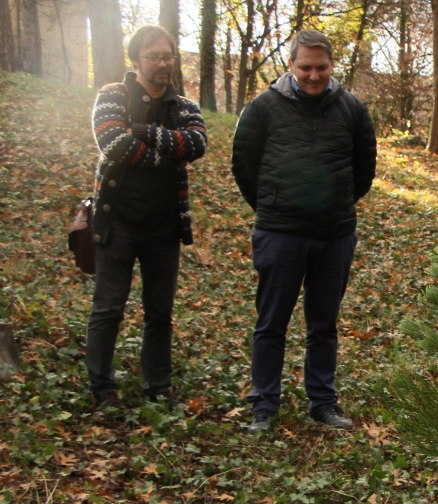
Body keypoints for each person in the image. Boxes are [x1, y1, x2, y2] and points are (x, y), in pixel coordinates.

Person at [231, 29, 377, 434]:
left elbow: (364, 168)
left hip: (335, 235)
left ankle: (323, 402)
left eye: (322, 67)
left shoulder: (352, 109)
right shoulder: (262, 108)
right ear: (291, 65)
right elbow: (243, 164)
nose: (314, 75)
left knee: (323, 325)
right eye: (305, 67)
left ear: (332, 67)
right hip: (280, 233)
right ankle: (264, 404)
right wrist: (273, 207)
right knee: (271, 322)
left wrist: (338, 203)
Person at [85, 25, 208, 411]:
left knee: (160, 312)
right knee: (108, 308)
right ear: (136, 59)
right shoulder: (112, 97)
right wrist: (168, 150)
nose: (162, 63)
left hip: (164, 228)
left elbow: (197, 144)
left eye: (168, 55)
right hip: (117, 221)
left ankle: (158, 386)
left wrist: (142, 131)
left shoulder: (186, 107)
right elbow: (113, 144)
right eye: (153, 56)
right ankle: (102, 388)